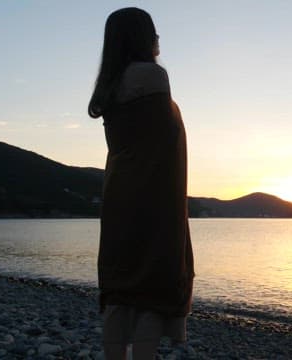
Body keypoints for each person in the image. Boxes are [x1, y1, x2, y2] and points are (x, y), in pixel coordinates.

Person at [88, 7, 194, 360]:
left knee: (120, 287)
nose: (158, 39)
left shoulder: (110, 84)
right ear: (144, 37)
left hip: (118, 196)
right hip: (153, 199)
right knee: (152, 287)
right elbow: (162, 146)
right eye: (154, 32)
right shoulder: (152, 77)